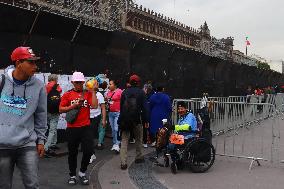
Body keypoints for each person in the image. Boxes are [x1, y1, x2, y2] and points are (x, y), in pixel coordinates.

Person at [0, 47, 47, 189]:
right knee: (3, 185)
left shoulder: (38, 85)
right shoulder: (1, 81)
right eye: (31, 62)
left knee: (32, 185)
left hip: (27, 144)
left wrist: (41, 140)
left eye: (35, 62)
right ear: (18, 62)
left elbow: (41, 114)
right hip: (2, 144)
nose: (35, 66)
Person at [59, 71, 99, 185]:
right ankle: (72, 175)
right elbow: (61, 109)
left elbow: (95, 105)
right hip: (72, 128)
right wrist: (74, 106)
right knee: (72, 153)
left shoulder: (87, 93)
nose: (79, 85)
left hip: (85, 127)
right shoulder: (67, 94)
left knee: (88, 151)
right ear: (72, 82)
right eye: (77, 82)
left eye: (81, 82)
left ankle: (82, 172)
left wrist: (93, 92)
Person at [118, 74, 149, 170]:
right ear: (138, 82)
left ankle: (123, 162)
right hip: (137, 119)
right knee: (138, 138)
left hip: (125, 120)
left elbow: (121, 108)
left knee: (124, 141)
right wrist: (146, 120)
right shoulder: (141, 93)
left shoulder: (124, 92)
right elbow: (145, 108)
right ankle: (138, 157)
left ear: (130, 82)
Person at [45, 74, 62, 157]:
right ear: (56, 79)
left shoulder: (46, 86)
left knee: (51, 127)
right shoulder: (57, 86)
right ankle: (46, 148)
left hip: (47, 111)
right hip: (55, 111)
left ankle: (53, 144)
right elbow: (60, 93)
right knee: (52, 129)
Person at [89, 89, 106, 163]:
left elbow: (103, 108)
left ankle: (91, 154)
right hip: (87, 117)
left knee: (90, 135)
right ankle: (91, 153)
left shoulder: (99, 95)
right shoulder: (86, 94)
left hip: (96, 116)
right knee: (87, 135)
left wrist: (103, 119)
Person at [106, 80, 122, 153]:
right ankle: (115, 143)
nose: (109, 85)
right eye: (109, 84)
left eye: (110, 84)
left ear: (115, 85)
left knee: (116, 128)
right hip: (110, 113)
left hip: (117, 112)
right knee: (113, 129)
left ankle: (117, 144)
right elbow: (107, 101)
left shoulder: (119, 91)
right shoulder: (108, 92)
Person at [142, 83, 155, 148]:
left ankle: (145, 142)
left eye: (144, 88)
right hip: (151, 114)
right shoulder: (152, 96)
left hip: (145, 114)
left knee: (145, 128)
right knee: (150, 127)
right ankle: (152, 141)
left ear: (146, 89)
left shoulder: (143, 95)